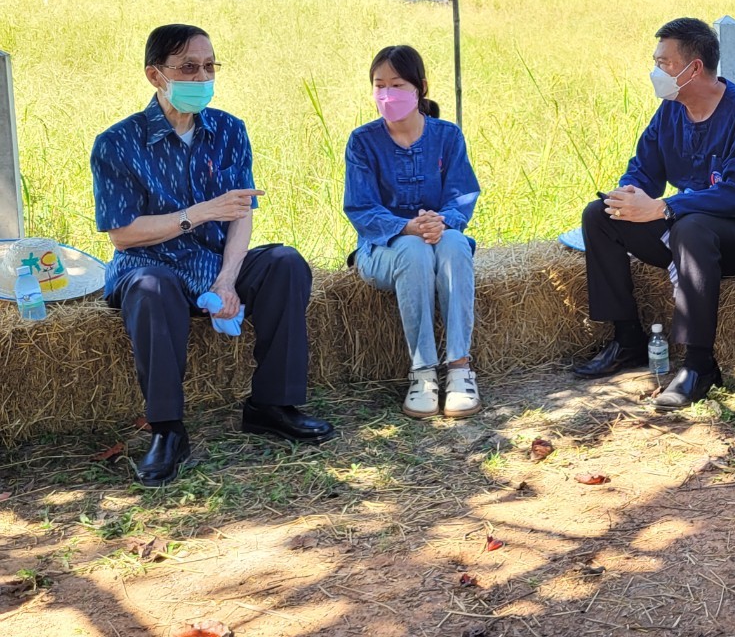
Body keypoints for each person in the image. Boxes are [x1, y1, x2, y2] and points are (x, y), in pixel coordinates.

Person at [91, 24, 334, 488]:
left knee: (285, 263)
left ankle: (271, 405)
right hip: (150, 266)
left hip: (215, 262)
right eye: (188, 67)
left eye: (209, 66)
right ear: (155, 75)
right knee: (151, 289)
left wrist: (227, 279)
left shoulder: (229, 129)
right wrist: (199, 213)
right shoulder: (116, 143)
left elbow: (241, 214)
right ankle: (167, 430)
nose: (202, 77)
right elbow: (123, 235)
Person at [573, 17, 735, 410]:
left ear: (694, 68)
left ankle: (699, 364)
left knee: (691, 228)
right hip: (687, 223)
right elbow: (644, 170)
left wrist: (665, 206)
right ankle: (627, 339)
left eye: (663, 63)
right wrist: (628, 196)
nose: (656, 72)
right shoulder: (670, 110)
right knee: (600, 215)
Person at [344, 45, 482, 419]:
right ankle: (423, 373)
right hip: (383, 250)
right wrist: (406, 227)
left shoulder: (448, 137)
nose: (387, 94)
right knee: (413, 250)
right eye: (379, 85)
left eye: (397, 85)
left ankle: (460, 368)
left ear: (420, 87)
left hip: (440, 238)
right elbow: (361, 208)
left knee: (455, 243)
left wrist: (442, 221)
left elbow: (461, 196)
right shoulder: (362, 141)